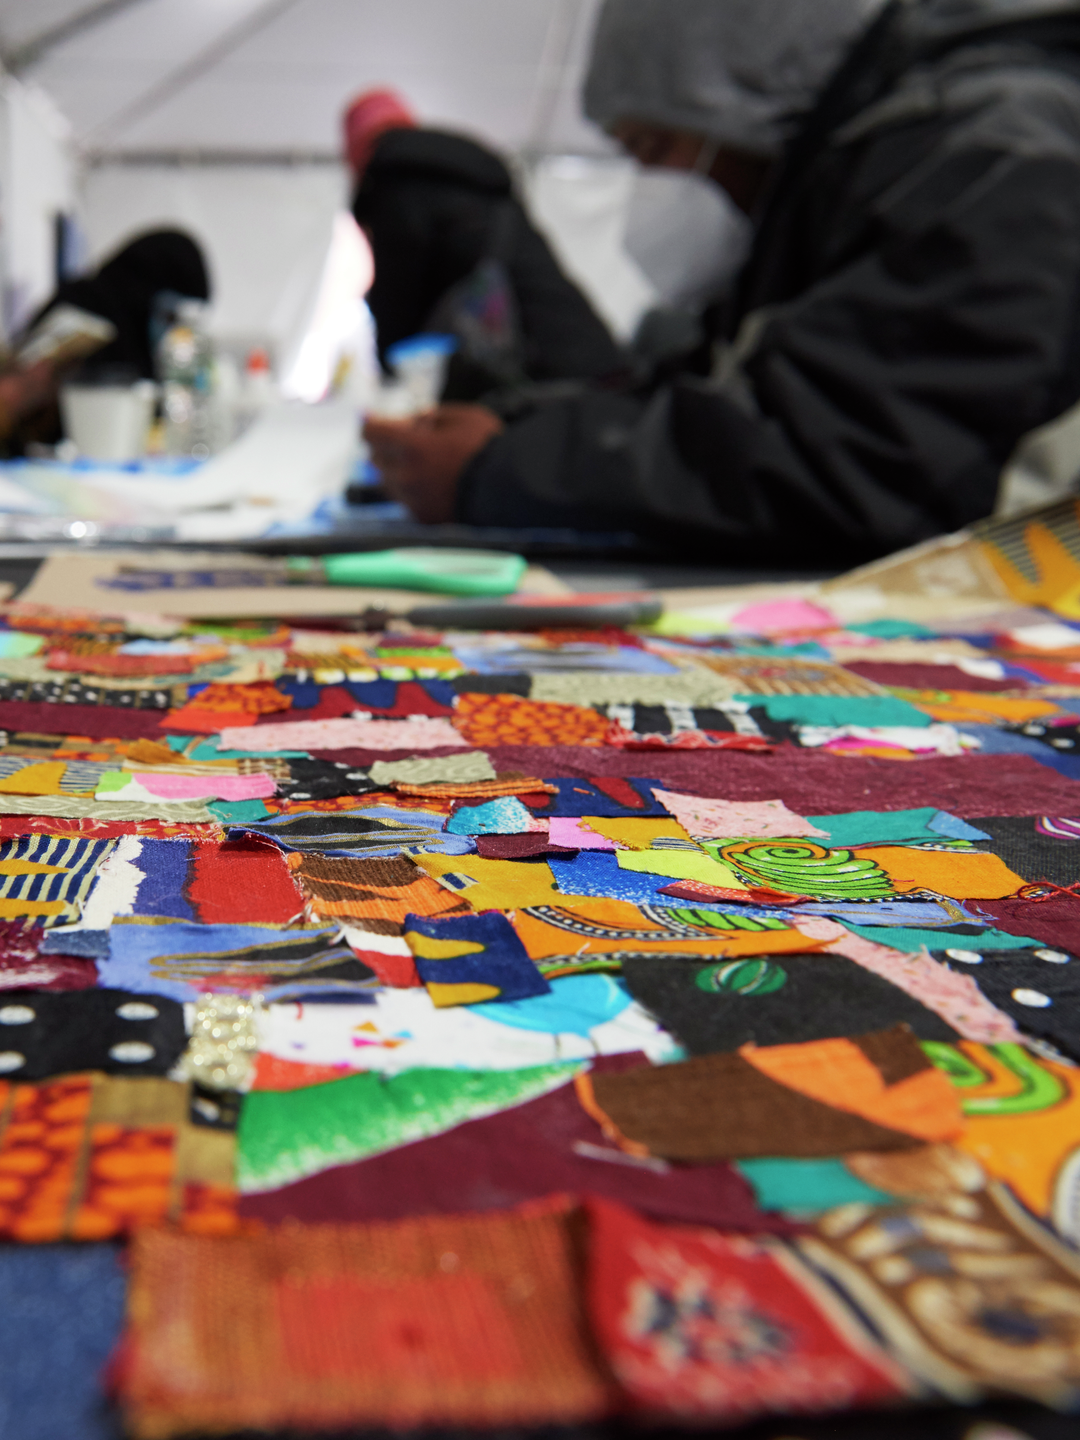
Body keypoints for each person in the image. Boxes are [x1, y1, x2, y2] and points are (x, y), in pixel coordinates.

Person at [365, 0, 1080, 562]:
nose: (655, 183)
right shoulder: (841, 174)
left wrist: (501, 467)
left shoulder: (998, 153)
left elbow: (865, 460)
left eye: (657, 147)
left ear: (742, 99)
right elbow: (719, 381)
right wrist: (518, 426)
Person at [345, 88, 623, 400]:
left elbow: (398, 295)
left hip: (529, 376)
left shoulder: (397, 185)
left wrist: (390, 374)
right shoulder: (470, 173)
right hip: (581, 349)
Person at [0, 229, 211, 450]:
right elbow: (20, 391)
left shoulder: (141, 338)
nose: (173, 329)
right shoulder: (81, 306)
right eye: (170, 316)